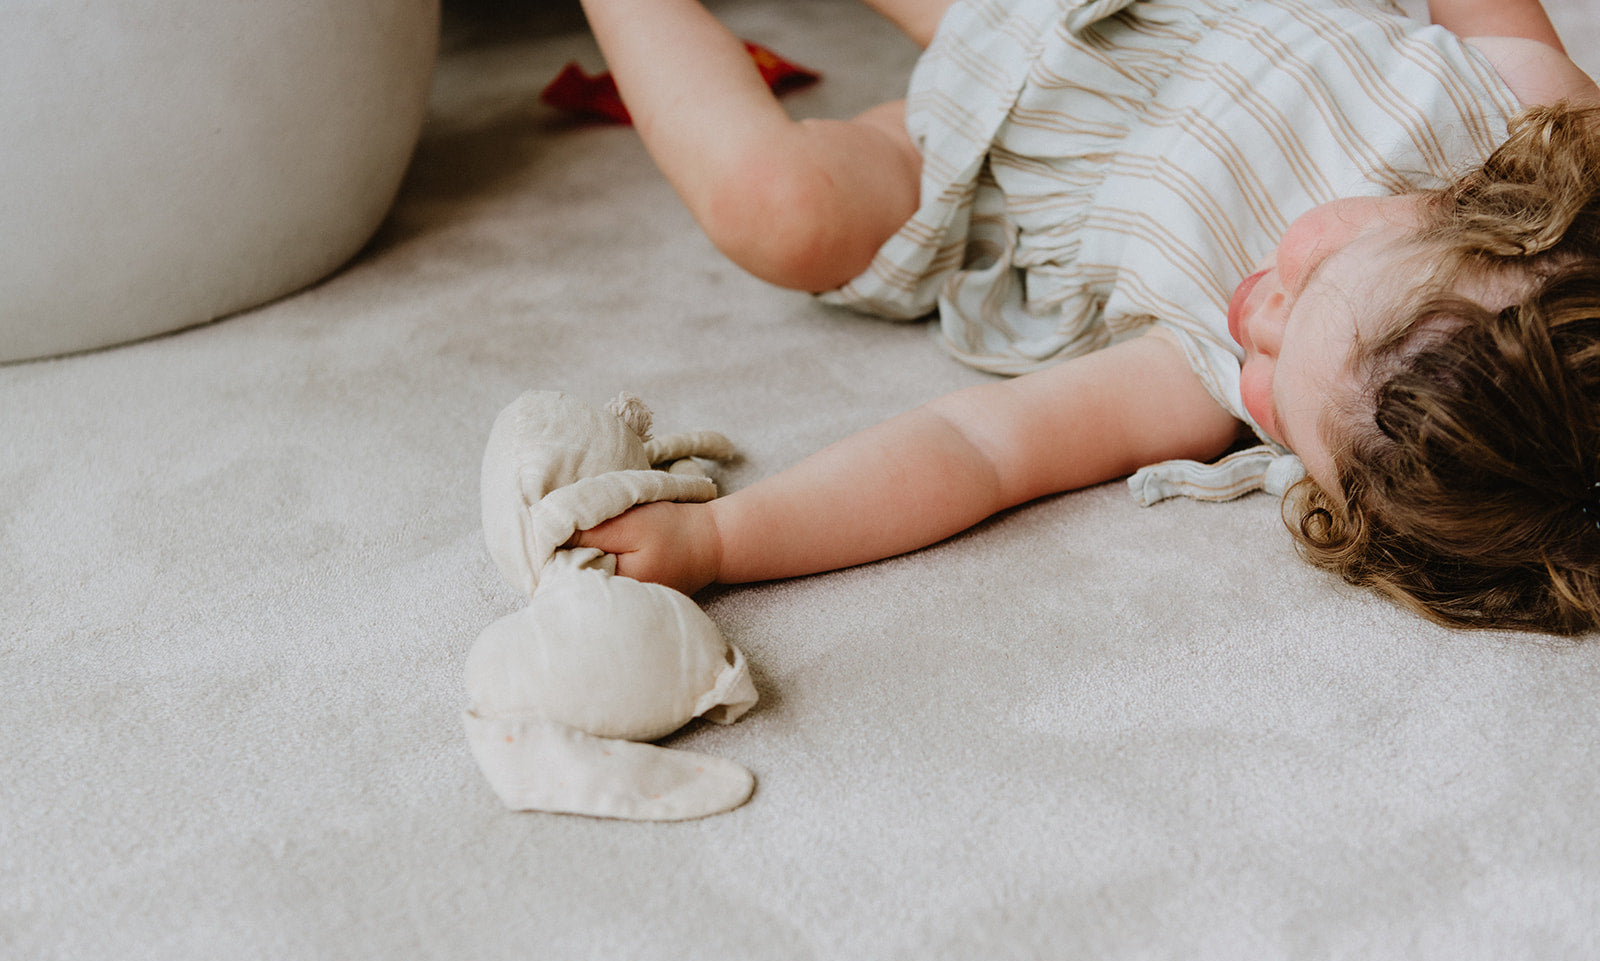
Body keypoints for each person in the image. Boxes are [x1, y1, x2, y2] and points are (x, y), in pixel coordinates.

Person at [570, 0, 1600, 633]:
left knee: (781, 212)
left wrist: (721, 542)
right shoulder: (1521, 104)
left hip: (976, 166)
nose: (1261, 326)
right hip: (1121, 14)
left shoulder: (1200, 366)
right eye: (1312, 281)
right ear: (1490, 207)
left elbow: (974, 446)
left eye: (1278, 408)